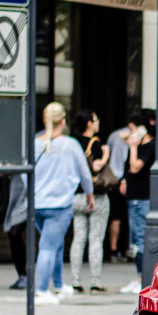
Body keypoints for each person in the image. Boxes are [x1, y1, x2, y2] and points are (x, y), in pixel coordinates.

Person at [32, 103, 94, 305]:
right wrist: (90, 194)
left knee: (54, 245)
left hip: (36, 205)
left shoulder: (34, 144)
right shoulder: (70, 144)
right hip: (59, 206)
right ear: (63, 121)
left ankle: (58, 286)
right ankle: (41, 291)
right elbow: (85, 173)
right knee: (49, 247)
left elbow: (25, 175)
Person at [70, 110, 111, 294]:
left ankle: (75, 281)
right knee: (95, 240)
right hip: (96, 196)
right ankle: (96, 283)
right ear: (89, 123)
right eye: (95, 120)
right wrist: (105, 155)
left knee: (78, 239)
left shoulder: (72, 143)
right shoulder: (95, 143)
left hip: (76, 196)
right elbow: (96, 166)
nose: (98, 123)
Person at [119, 113, 155, 294]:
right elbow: (121, 136)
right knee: (135, 240)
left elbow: (135, 167)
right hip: (133, 197)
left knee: (141, 239)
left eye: (133, 129)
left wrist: (133, 145)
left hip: (143, 198)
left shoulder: (149, 146)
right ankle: (139, 276)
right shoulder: (137, 144)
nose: (130, 134)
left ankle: (142, 278)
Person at [105, 120, 132, 262]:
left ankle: (114, 249)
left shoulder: (113, 135)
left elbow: (109, 155)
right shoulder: (133, 136)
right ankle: (125, 249)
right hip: (124, 178)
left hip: (114, 178)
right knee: (128, 216)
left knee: (116, 217)